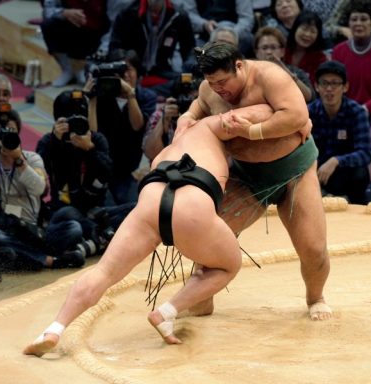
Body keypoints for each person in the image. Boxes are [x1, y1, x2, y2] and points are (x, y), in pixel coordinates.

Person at [22, 103, 273, 357]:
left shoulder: (173, 143)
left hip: (150, 203)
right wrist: (291, 117)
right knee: (228, 265)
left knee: (104, 272)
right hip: (192, 204)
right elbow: (266, 112)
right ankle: (166, 312)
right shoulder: (209, 124)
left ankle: (53, 329)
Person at [176, 41, 332, 321]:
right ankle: (200, 304)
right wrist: (187, 118)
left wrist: (252, 132)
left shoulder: (270, 76)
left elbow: (297, 116)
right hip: (246, 176)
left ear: (239, 66)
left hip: (294, 171)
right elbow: (199, 107)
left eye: (223, 81)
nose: (219, 89)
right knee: (207, 243)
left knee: (314, 249)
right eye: (212, 83)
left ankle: (315, 297)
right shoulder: (208, 90)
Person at [37, 90, 134, 258]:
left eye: (80, 117)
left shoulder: (96, 140)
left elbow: (108, 173)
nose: (75, 122)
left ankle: (93, 242)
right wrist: (56, 142)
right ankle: (104, 238)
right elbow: (39, 176)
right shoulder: (49, 141)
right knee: (72, 222)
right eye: (70, 118)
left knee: (136, 209)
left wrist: (89, 150)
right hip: (65, 211)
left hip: (98, 211)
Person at [0, 106, 85, 270]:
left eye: (11, 131)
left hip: (33, 230)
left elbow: (40, 189)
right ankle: (50, 260)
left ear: (18, 133)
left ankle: (24, 258)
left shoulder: (32, 159)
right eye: (0, 133)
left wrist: (19, 161)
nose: (6, 137)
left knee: (73, 228)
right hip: (4, 231)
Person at [84, 49, 157, 205]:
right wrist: (91, 100)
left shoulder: (146, 97)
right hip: (101, 167)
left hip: (128, 171)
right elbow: (93, 133)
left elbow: (137, 126)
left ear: (138, 72)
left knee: (131, 208)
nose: (125, 75)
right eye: (120, 71)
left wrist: (130, 94)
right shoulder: (103, 95)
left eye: (129, 70)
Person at [331, 2, 371, 152]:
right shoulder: (338, 51)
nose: (358, 23)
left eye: (363, 19)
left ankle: (361, 160)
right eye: (354, 19)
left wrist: (368, 107)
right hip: (348, 107)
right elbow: (334, 85)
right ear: (349, 24)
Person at [308, 60, 371, 204]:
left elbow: (365, 153)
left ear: (345, 87)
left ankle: (353, 205)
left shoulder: (357, 112)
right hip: (316, 172)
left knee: (360, 172)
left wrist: (336, 160)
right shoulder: (308, 112)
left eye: (335, 83)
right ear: (316, 86)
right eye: (324, 83)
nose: (329, 89)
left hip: (344, 172)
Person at [109, 0, 196, 97]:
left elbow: (190, 50)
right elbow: (114, 48)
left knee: (185, 81)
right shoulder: (127, 13)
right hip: (133, 73)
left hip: (163, 73)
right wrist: (127, 61)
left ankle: (146, 94)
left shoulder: (179, 15)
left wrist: (188, 71)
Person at [41, 0, 110, 87]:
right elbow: (47, 11)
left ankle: (86, 70)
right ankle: (68, 70)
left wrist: (102, 50)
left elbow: (115, 25)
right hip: (73, 28)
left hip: (101, 34)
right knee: (49, 25)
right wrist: (64, 13)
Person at [254, 26, 314, 102]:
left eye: (273, 47)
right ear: (256, 52)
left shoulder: (295, 71)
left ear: (282, 51)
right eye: (264, 48)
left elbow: (309, 97)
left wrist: (285, 71)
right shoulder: (249, 73)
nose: (269, 52)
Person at [179, 0, 254, 56]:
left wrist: (232, 33)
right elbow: (189, 15)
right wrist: (204, 24)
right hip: (204, 34)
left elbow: (246, 18)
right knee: (191, 47)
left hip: (235, 31)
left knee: (248, 38)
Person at [283, 10, 328, 85]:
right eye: (304, 29)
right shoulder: (282, 49)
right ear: (295, 29)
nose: (307, 34)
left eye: (312, 31)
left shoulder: (320, 59)